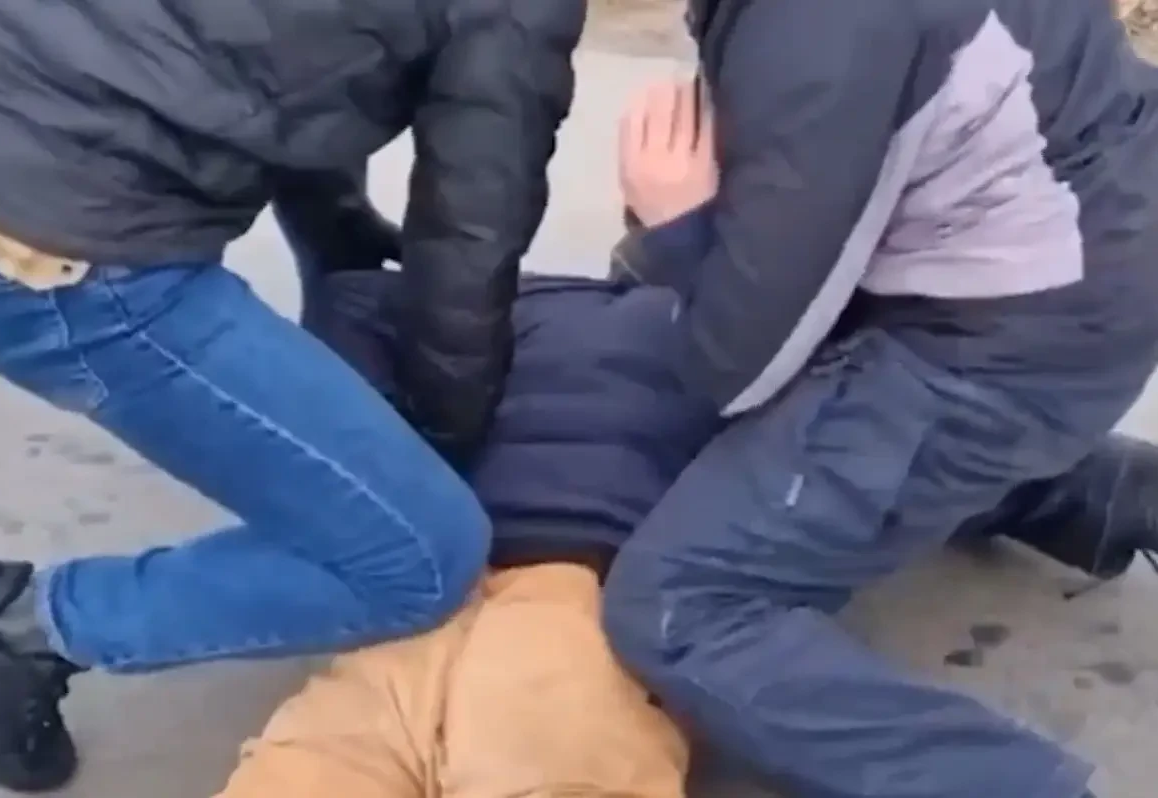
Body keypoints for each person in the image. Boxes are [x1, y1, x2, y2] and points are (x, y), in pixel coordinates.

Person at [214, 251, 1158, 798]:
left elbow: (339, 318)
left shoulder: (487, 303)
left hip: (458, 606)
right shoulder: (767, 345)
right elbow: (929, 449)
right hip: (535, 616)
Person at [0, 0, 584, 791]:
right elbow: (469, 241)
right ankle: (16, 631)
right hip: (50, 238)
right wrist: (436, 440)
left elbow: (283, 54)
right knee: (421, 557)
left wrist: (338, 232)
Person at [599, 2, 1158, 797]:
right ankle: (1107, 496)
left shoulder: (819, 27)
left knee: (677, 602)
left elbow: (742, 367)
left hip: (1012, 335)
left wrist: (676, 231)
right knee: (785, 417)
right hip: (1086, 248)